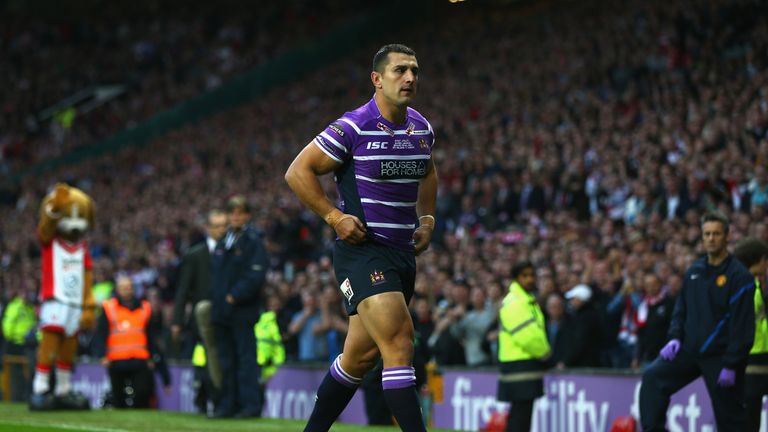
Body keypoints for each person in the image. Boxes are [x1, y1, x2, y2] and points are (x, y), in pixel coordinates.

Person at [284, 43, 437, 432]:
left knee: (358, 358)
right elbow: (298, 172)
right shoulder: (353, 126)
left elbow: (429, 170)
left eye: (414, 71)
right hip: (363, 253)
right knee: (401, 343)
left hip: (403, 255)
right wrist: (334, 217)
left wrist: (428, 219)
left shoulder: (421, 128)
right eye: (400, 70)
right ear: (377, 79)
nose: (409, 78)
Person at [639, 211, 756, 431]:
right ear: (702, 237)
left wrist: (732, 363)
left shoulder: (740, 277)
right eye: (707, 234)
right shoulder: (694, 271)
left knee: (731, 419)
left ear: (727, 236)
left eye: (716, 234)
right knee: (653, 377)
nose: (711, 238)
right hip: (689, 351)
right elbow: (680, 310)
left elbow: (743, 326)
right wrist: (674, 338)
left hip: (721, 358)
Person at [209, 195, 269, 419]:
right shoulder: (225, 240)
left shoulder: (253, 241)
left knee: (245, 360)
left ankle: (250, 406)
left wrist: (234, 296)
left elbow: (255, 275)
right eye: (231, 212)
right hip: (222, 311)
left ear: (247, 215)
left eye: (239, 212)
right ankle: (227, 406)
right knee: (226, 360)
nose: (235, 216)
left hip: (242, 311)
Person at [171, 209, 227, 390]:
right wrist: (177, 321)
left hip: (226, 315)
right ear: (207, 228)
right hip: (201, 319)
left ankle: (222, 398)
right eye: (217, 226)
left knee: (224, 357)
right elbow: (183, 289)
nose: (222, 230)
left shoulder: (233, 250)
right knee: (204, 358)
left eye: (224, 226)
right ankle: (206, 395)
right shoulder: (194, 255)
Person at [497, 261, 550, 432]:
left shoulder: (525, 300)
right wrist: (545, 353)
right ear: (516, 278)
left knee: (522, 413)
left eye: (532, 275)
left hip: (521, 363)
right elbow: (527, 336)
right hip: (519, 363)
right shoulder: (515, 302)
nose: (530, 279)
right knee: (521, 415)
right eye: (525, 275)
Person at [94, 275, 162, 408]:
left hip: (139, 359)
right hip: (116, 359)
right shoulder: (109, 308)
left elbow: (151, 335)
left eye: (129, 287)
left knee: (142, 394)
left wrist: (152, 356)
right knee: (118, 396)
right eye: (123, 288)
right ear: (118, 290)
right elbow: (101, 334)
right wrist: (102, 355)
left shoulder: (145, 308)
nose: (127, 290)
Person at [732, 237, 768, 432]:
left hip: (747, 361)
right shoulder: (747, 286)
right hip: (752, 362)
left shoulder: (736, 284)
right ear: (761, 260)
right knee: (749, 422)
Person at [1, 288, 36, 401]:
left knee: (31, 369)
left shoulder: (30, 308)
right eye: (25, 293)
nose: (27, 296)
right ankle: (11, 395)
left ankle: (27, 394)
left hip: (29, 344)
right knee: (17, 371)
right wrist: (13, 337)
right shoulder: (14, 306)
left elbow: (34, 326)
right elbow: (7, 326)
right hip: (16, 344)